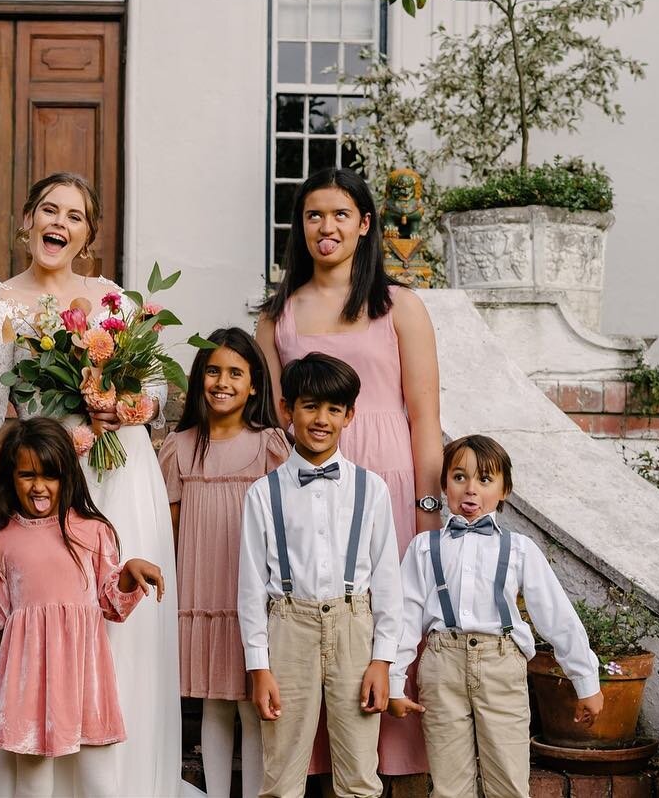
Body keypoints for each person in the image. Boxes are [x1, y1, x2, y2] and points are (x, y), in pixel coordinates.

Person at [0, 172, 192, 797]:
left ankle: (120, 781)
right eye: (49, 210)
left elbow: (156, 392)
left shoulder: (115, 302)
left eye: (75, 216)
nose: (60, 223)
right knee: (37, 609)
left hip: (118, 475)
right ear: (27, 220)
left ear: (88, 235)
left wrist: (118, 404)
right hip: (41, 486)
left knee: (114, 619)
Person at [257, 166, 439, 776]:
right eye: (313, 215)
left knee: (385, 620)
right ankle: (313, 760)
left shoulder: (400, 307)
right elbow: (266, 419)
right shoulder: (276, 317)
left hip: (389, 480)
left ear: (365, 225)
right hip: (304, 488)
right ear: (299, 226)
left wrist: (429, 511)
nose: (325, 227)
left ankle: (386, 767)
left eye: (339, 214)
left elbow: (425, 416)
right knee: (313, 615)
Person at [0, 417, 164, 798]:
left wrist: (129, 572)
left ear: (67, 476)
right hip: (29, 684)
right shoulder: (0, 536)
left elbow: (110, 603)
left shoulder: (92, 530)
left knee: (100, 784)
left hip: (85, 679)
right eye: (27, 475)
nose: (39, 486)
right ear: (11, 477)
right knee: (33, 785)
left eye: (50, 476)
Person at [387, 435, 603, 798]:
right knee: (449, 785)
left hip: (501, 666)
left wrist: (586, 681)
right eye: (459, 477)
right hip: (442, 666)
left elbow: (556, 616)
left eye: (485, 480)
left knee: (509, 780)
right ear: (444, 485)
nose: (471, 490)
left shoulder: (519, 549)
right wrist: (394, 681)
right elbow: (404, 618)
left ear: (505, 490)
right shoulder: (425, 547)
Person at [238, 353, 402, 798]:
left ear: (350, 415)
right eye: (310, 406)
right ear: (288, 410)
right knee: (282, 773)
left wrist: (383, 660)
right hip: (289, 629)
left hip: (355, 629)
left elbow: (387, 580)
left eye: (334, 409)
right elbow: (251, 590)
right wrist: (259, 667)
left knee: (359, 775)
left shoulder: (372, 488)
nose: (321, 419)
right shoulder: (263, 493)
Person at [158, 328, 289, 798]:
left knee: (253, 705)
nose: (223, 382)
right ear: (199, 380)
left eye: (236, 373)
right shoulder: (181, 445)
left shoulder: (270, 444)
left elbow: (284, 523)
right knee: (214, 701)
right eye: (213, 371)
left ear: (254, 384)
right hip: (200, 590)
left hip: (251, 592)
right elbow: (169, 525)